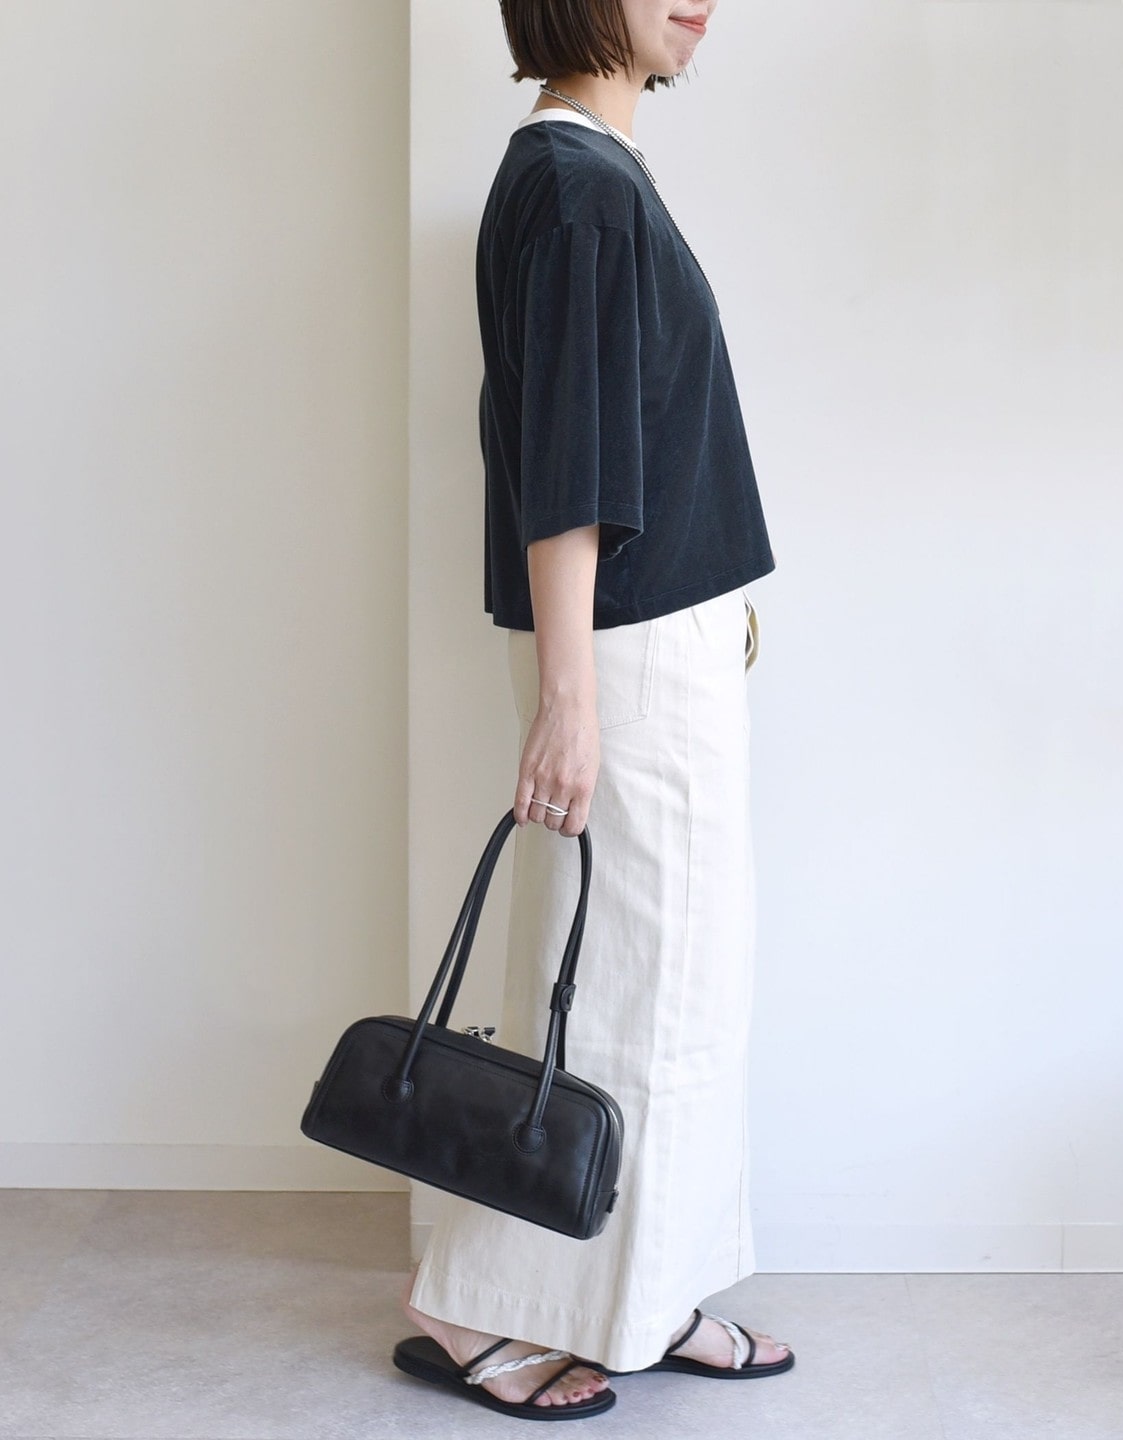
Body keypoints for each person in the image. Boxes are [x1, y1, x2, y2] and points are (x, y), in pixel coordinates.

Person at [395, 0, 790, 1420]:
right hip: (624, 655)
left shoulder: (591, 173)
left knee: (668, 985)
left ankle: (646, 1287)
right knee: (620, 989)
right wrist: (570, 698)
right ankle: (467, 1304)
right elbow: (569, 463)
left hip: (655, 645)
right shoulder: (574, 186)